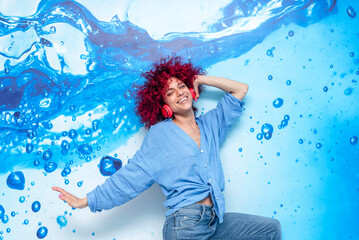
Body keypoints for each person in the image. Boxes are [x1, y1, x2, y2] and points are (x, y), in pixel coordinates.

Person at [52, 56, 281, 240]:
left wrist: (199, 79)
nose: (179, 93)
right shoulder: (160, 135)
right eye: (170, 93)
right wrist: (86, 201)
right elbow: (130, 178)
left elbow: (241, 89)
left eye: (182, 86)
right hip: (185, 225)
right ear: (163, 106)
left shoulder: (211, 124)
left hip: (215, 220)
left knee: (269, 230)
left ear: (191, 92)